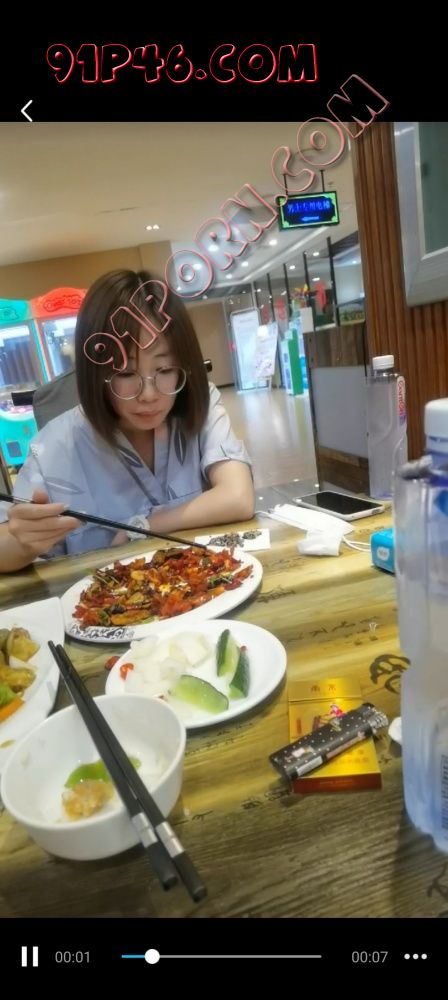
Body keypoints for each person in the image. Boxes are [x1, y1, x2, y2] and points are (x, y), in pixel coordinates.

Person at [0, 270, 255, 572]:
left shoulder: (199, 402)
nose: (148, 395)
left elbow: (238, 497)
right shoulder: (55, 446)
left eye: (165, 370)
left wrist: (142, 526)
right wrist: (23, 541)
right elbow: (5, 544)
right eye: (125, 373)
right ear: (94, 373)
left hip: (207, 583)